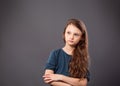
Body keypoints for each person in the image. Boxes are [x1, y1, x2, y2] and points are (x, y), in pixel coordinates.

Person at [43, 19, 90, 86]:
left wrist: (61, 77)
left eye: (76, 34)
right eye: (68, 33)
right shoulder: (55, 54)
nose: (71, 37)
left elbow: (83, 83)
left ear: (81, 38)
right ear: (64, 33)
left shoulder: (83, 57)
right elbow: (48, 78)